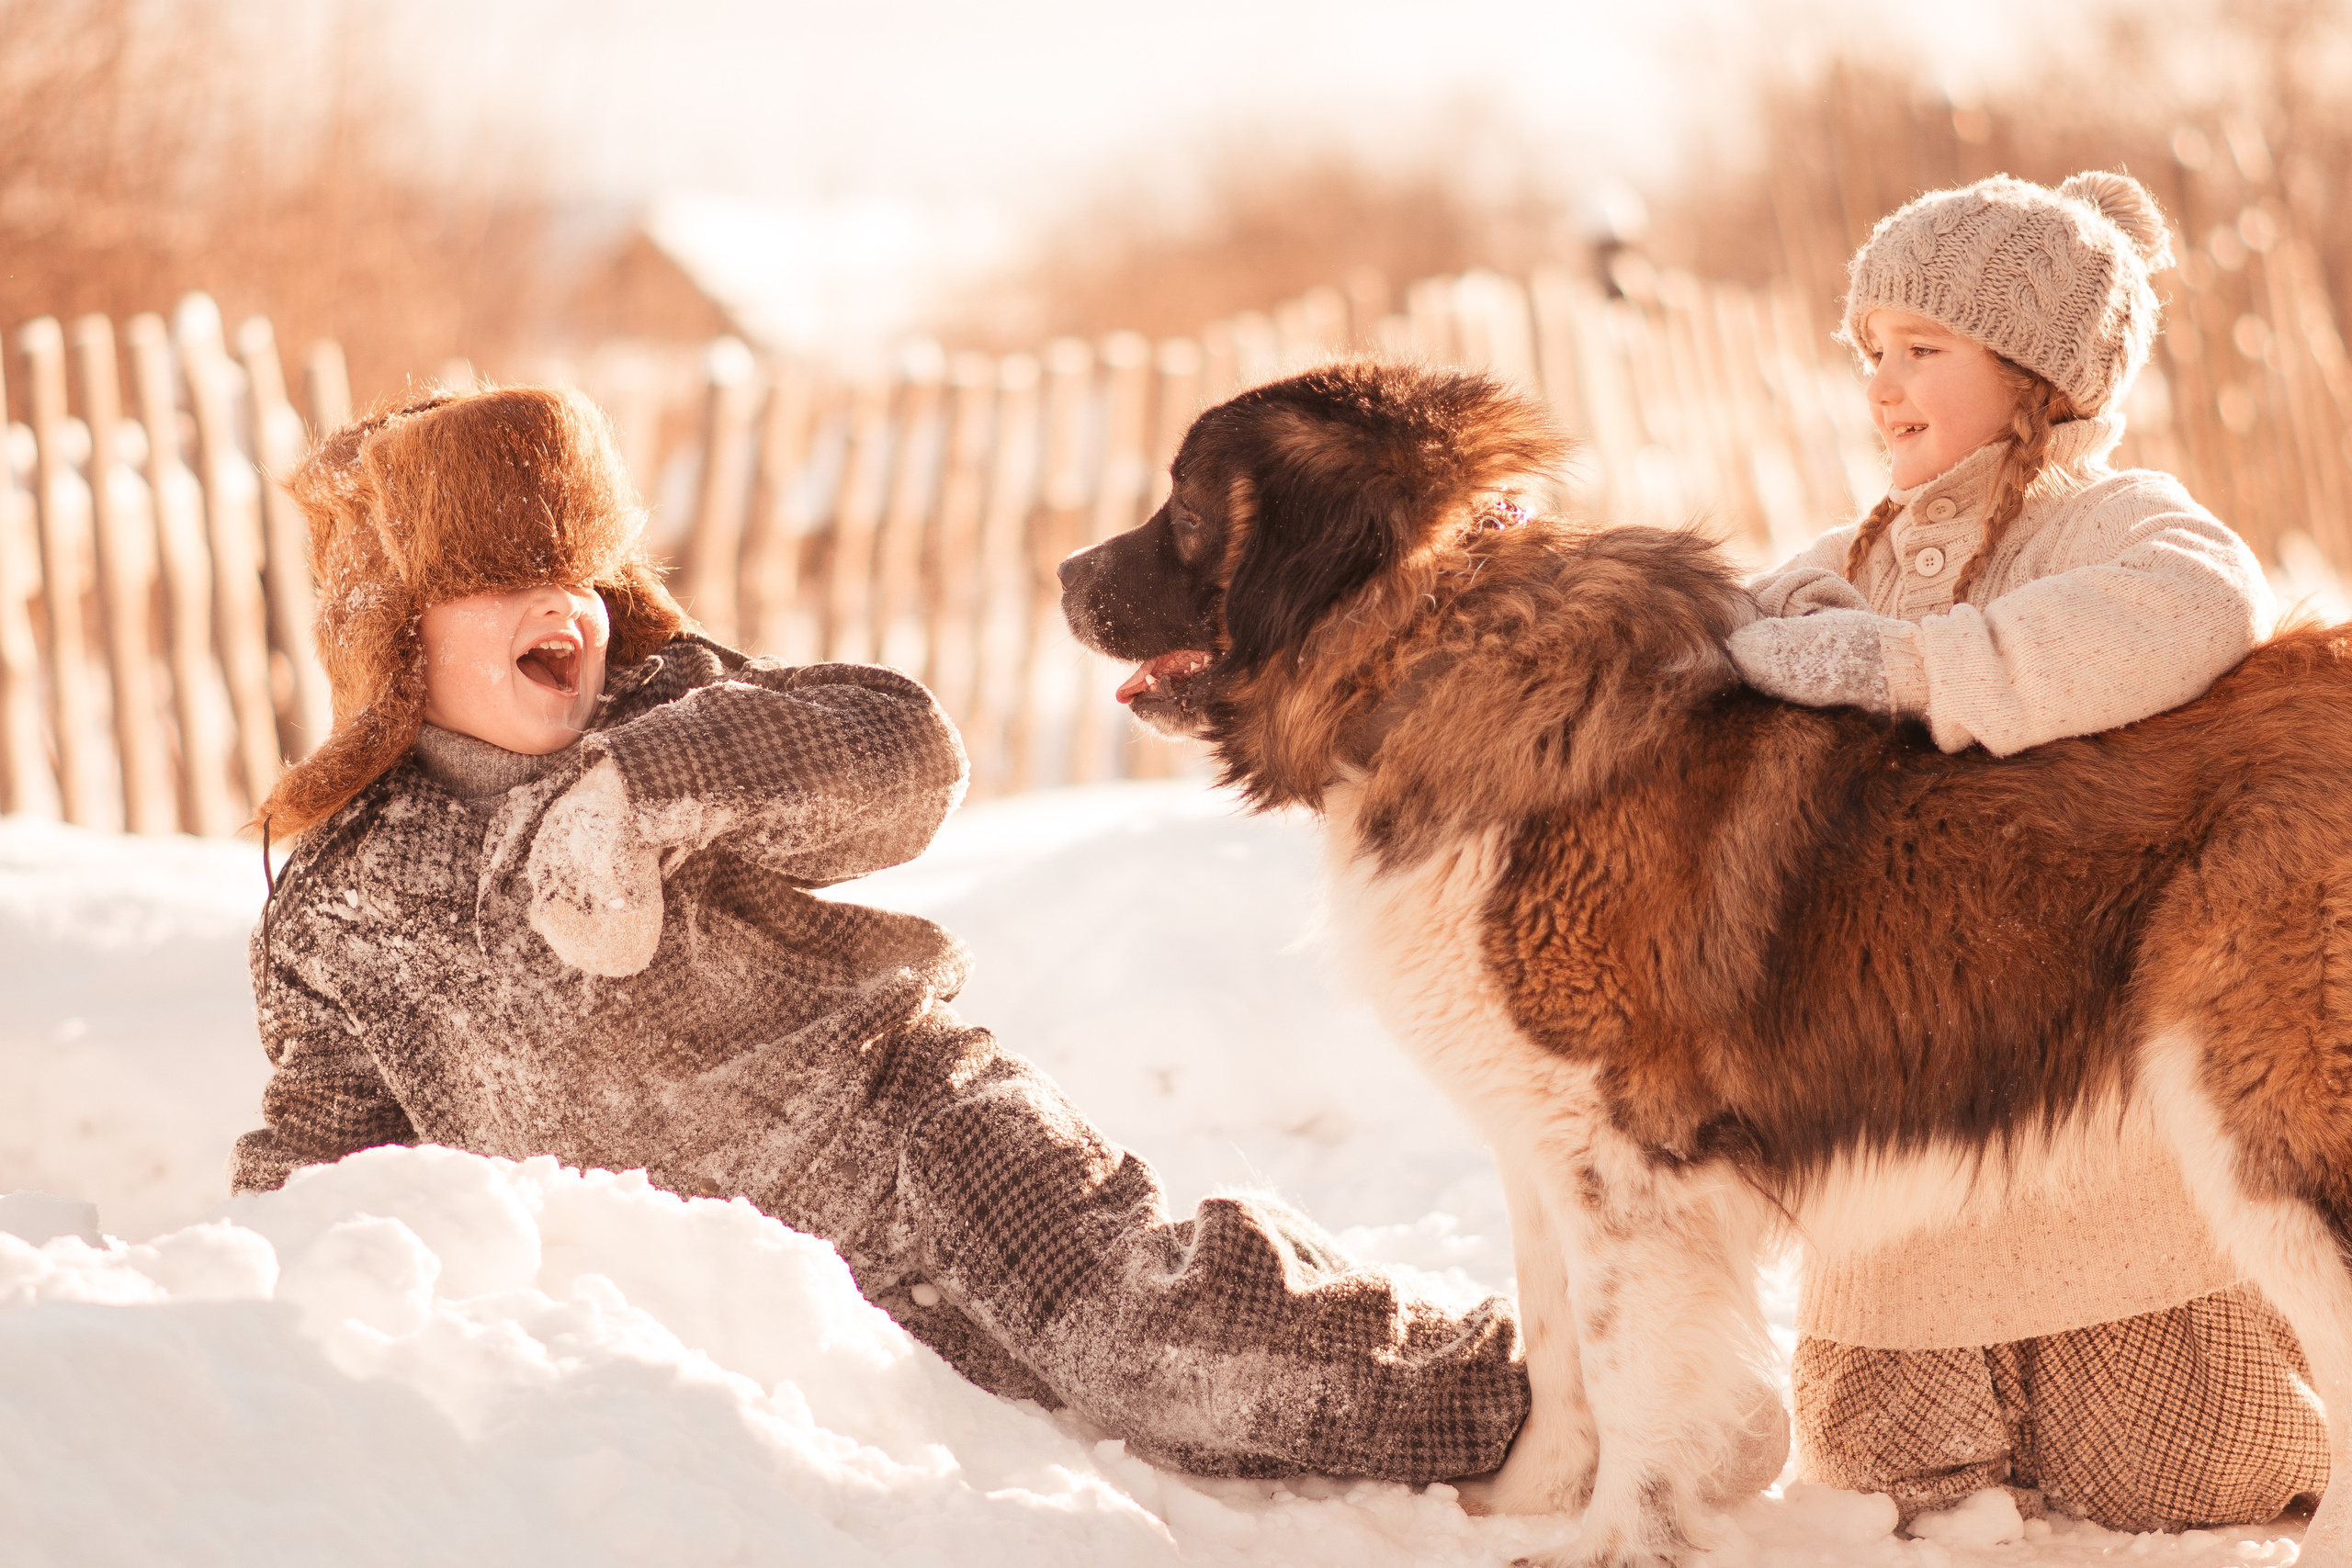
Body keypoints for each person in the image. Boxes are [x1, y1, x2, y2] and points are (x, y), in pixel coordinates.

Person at [231, 383, 1527, 1483]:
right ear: (398, 636)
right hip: (741, 1279)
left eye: (576, 574)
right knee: (971, 1442)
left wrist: (650, 787)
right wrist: (268, 1301)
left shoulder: (670, 712)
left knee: (1144, 1343)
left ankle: (1511, 1396)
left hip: (915, 1131)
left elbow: (903, 751)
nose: (562, 609)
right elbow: (327, 1142)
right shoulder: (351, 900)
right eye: (505, 583)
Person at [1728, 170, 2331, 1532]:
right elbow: (1723, 641)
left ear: (2041, 377)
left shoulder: (2115, 525)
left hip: (2080, 1108)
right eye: (1869, 350)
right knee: (1881, 1482)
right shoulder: (1849, 557)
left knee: (2188, 1473)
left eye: (1923, 348)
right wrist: (1761, 622)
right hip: (1899, 1113)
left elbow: (2198, 605)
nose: (1883, 384)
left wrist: (1914, 667)